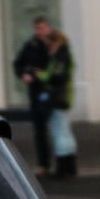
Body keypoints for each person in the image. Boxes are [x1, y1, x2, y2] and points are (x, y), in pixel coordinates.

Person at [34, 24, 78, 177]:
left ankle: (62, 167)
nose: (48, 48)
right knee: (65, 131)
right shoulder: (66, 54)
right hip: (65, 96)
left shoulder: (60, 56)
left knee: (59, 131)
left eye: (49, 44)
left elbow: (55, 76)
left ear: (56, 42)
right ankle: (70, 165)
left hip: (57, 97)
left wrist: (42, 76)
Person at [13, 16, 54, 175]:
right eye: (37, 28)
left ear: (48, 28)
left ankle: (63, 163)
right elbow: (19, 64)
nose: (40, 31)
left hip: (52, 91)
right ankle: (44, 164)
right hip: (36, 91)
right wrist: (24, 74)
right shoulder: (31, 45)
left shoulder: (54, 44)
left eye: (43, 28)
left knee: (57, 127)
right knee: (39, 128)